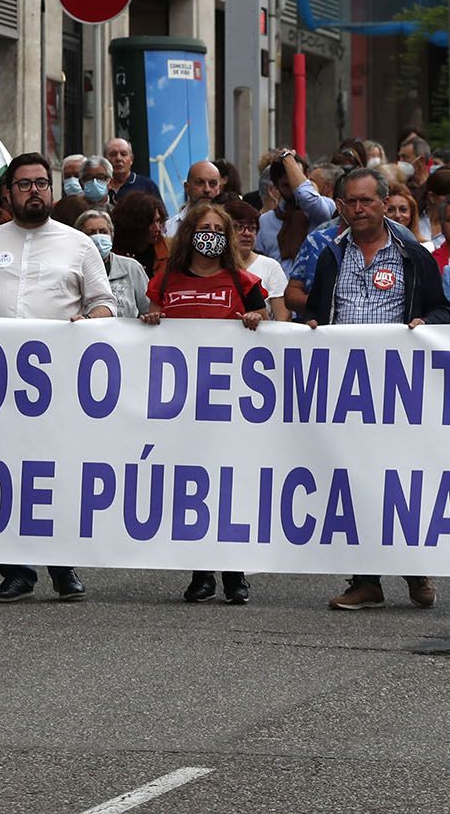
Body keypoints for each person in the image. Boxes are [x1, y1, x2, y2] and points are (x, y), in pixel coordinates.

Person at [0, 153, 113, 605]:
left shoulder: (79, 245)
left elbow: (105, 303)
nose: (35, 191)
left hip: (56, 386)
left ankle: (63, 566)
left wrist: (89, 318)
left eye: (42, 183)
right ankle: (16, 570)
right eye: (25, 184)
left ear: (52, 191)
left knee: (52, 473)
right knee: (0, 473)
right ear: (7, 192)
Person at [303, 166, 450, 611]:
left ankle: (414, 570)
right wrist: (310, 327)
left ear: (385, 203)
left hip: (398, 393)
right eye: (349, 201)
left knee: (398, 481)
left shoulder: (412, 254)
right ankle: (365, 581)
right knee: (355, 481)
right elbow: (314, 312)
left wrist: (426, 324)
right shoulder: (331, 254)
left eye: (366, 200)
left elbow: (442, 309)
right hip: (346, 391)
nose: (358, 209)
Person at [141, 201, 270, 605]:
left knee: (229, 487)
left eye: (218, 227)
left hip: (229, 406)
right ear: (190, 233)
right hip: (182, 407)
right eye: (203, 227)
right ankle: (201, 575)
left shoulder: (243, 282)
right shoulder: (166, 281)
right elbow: (154, 315)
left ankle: (234, 575)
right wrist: (152, 318)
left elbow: (267, 317)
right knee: (191, 487)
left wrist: (257, 319)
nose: (210, 234)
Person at [257, 148, 337, 262]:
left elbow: (306, 197)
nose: (294, 190)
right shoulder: (265, 221)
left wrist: (287, 157)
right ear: (276, 185)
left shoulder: (325, 207)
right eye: (286, 185)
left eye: (297, 182)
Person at [80, 207, 153, 319]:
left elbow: (149, 309)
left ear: (112, 235)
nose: (98, 236)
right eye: (91, 233)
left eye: (103, 232)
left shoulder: (131, 267)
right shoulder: (74, 268)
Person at [225, 200, 288, 322]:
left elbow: (283, 318)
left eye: (252, 228)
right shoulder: (213, 266)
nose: (247, 233)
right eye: (239, 227)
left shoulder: (271, 266)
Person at [163, 159, 225, 238]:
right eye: (200, 183)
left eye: (212, 184)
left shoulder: (229, 226)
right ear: (187, 187)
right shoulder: (169, 229)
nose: (207, 189)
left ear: (219, 188)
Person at [112, 191, 168, 277]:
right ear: (134, 225)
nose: (157, 228)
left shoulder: (167, 249)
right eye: (150, 223)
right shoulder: (113, 255)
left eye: (157, 221)